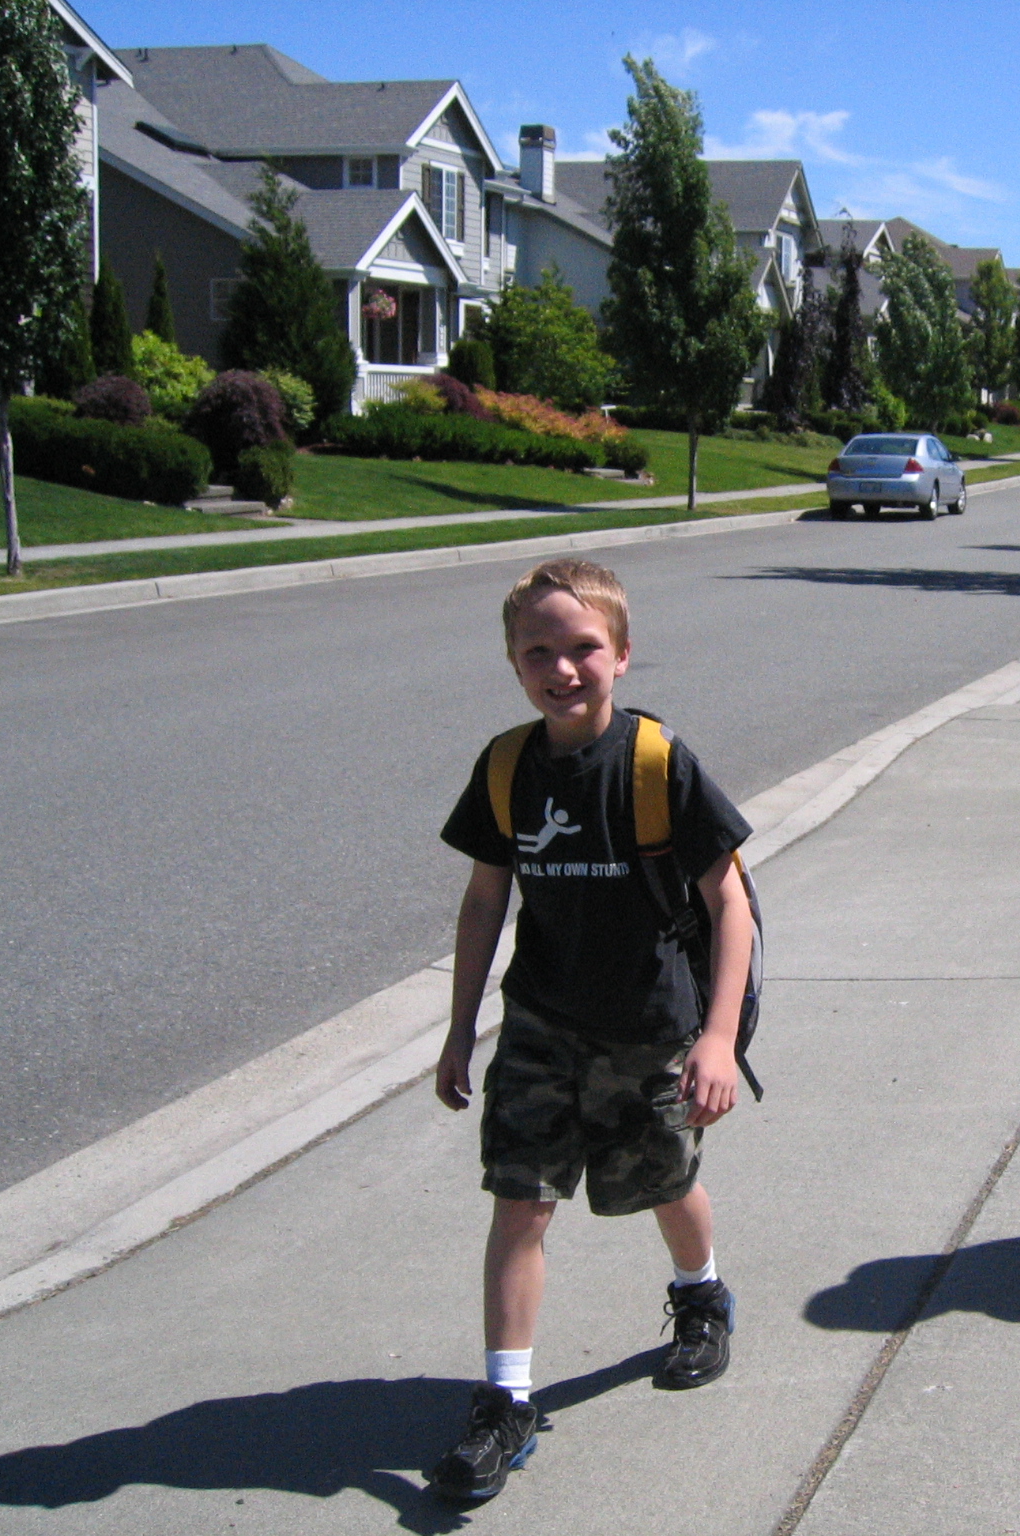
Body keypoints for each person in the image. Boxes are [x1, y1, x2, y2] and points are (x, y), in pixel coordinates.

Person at [427, 557, 755, 1500]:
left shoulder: (658, 764)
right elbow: (486, 902)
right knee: (521, 1202)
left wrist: (718, 1039)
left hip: (651, 1027)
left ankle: (701, 1295)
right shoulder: (504, 769)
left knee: (662, 1181)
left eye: (582, 649)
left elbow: (728, 904)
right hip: (539, 1024)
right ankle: (506, 1402)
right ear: (513, 662)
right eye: (539, 651)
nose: (562, 668)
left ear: (621, 654)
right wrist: (459, 1033)